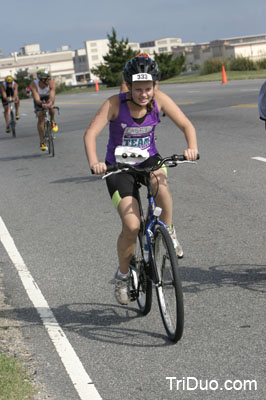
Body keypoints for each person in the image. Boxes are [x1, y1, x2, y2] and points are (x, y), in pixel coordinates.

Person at [84, 54, 198, 305]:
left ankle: (167, 229)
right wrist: (95, 162)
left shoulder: (160, 101)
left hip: (148, 159)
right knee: (132, 225)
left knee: (160, 183)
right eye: (138, 89)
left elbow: (187, 125)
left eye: (148, 89)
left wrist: (191, 146)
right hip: (118, 166)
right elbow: (91, 134)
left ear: (155, 86)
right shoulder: (114, 104)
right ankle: (123, 275)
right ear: (128, 86)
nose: (143, 94)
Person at [30, 72, 58, 151]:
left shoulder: (51, 83)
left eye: (49, 79)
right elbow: (37, 99)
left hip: (48, 97)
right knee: (40, 117)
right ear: (41, 81)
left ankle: (52, 122)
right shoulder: (34, 84)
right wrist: (42, 104)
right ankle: (42, 142)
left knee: (52, 109)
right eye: (47, 80)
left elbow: (52, 95)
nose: (49, 81)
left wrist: (50, 102)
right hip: (39, 98)